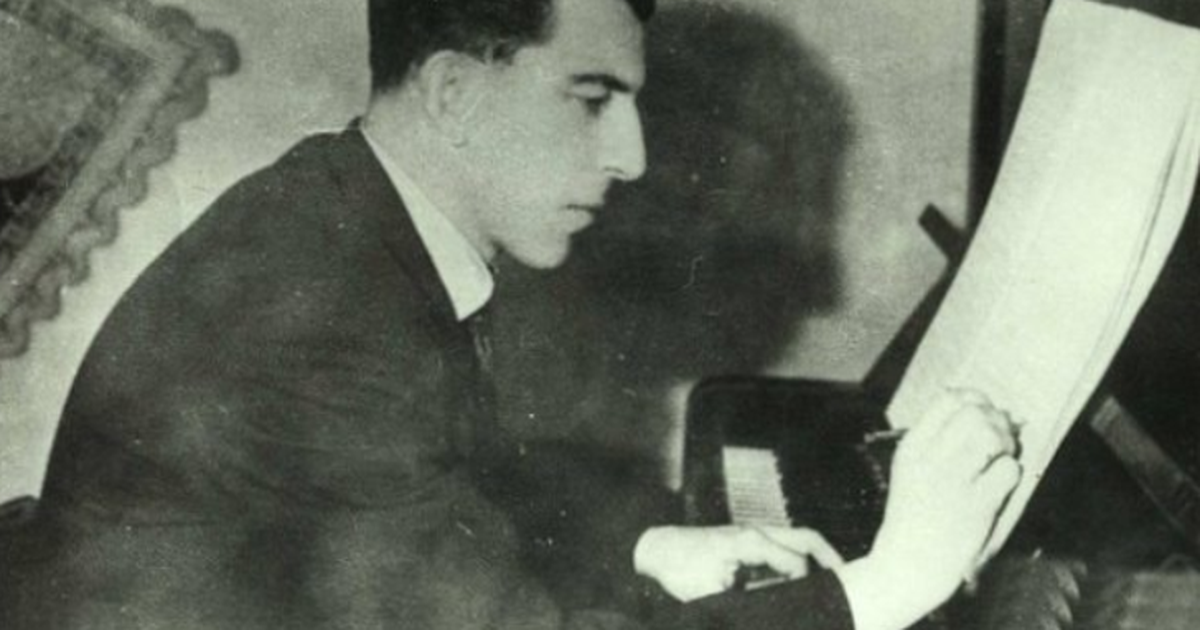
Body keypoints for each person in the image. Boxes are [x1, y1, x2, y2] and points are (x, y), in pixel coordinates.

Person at [0, 0, 1021, 629]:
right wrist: (882, 592)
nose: (632, 156)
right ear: (454, 93)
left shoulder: (348, 212)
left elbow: (452, 478)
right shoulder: (314, 323)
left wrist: (642, 545)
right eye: (592, 97)